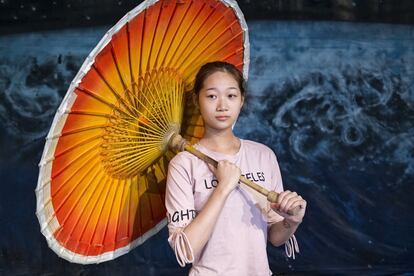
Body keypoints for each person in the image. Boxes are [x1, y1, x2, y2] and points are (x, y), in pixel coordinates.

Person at [165, 61, 307, 275]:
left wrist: (292, 221)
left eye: (231, 96)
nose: (222, 106)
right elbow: (185, 251)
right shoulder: (183, 164)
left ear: (242, 100)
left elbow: (276, 237)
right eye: (211, 96)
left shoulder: (263, 155)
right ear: (197, 100)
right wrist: (223, 188)